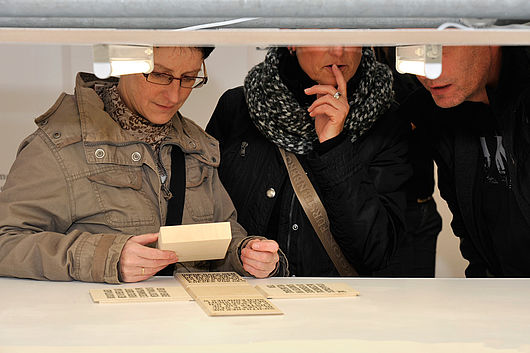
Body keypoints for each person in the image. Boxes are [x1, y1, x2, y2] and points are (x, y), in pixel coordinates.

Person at [0, 46, 285, 284]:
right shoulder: (58, 146)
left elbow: (222, 233)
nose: (174, 96)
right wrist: (106, 257)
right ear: (124, 63)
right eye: (160, 75)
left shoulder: (198, 145)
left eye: (187, 78)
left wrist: (245, 253)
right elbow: (6, 242)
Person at [206, 46, 411, 276]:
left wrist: (334, 146)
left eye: (350, 35)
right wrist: (243, 251)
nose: (339, 50)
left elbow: (376, 253)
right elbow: (207, 220)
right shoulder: (238, 107)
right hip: (248, 298)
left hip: (333, 304)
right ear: (293, 41)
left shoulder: (387, 121)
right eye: (323, 36)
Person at [404, 46, 530, 277]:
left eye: (440, 49)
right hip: (500, 298)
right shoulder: (435, 111)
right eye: (417, 50)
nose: (426, 73)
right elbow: (471, 233)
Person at [373, 47, 443, 277]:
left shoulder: (413, 48)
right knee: (389, 304)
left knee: (422, 305)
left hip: (423, 203)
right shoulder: (358, 57)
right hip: (387, 211)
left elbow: (431, 113)